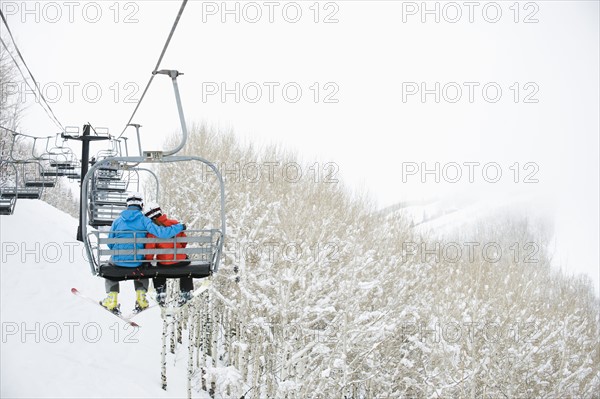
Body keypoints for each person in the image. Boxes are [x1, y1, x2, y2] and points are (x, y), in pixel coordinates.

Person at [101, 192, 186, 313]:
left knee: (110, 266)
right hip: (137, 262)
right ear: (141, 205)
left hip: (118, 261)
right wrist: (180, 227)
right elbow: (162, 233)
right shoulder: (145, 220)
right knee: (141, 264)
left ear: (127, 204)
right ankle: (141, 297)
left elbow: (110, 243)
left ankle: (111, 299)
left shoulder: (117, 221)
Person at [143, 202, 194, 307]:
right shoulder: (175, 224)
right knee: (186, 264)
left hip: (164, 263)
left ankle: (161, 291)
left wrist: (148, 260)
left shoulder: (152, 231)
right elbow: (184, 241)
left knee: (157, 267)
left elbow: (150, 249)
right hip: (180, 261)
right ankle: (186, 291)